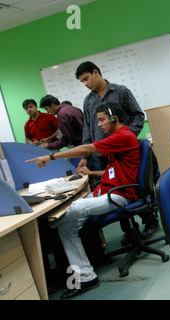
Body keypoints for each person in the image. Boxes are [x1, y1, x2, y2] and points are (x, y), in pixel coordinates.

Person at [26, 102, 141, 299]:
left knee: (74, 206)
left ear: (114, 118)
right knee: (67, 227)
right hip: (105, 191)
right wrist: (91, 172)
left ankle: (48, 227)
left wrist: (51, 156)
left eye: (102, 120)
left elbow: (87, 148)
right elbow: (114, 172)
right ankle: (87, 277)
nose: (99, 125)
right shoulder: (117, 139)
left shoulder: (123, 136)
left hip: (118, 196)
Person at [74, 61, 158, 240]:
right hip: (101, 153)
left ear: (96, 72)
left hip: (122, 150)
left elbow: (138, 115)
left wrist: (129, 136)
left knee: (131, 187)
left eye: (86, 78)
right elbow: (88, 128)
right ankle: (130, 230)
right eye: (82, 81)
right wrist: (85, 156)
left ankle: (151, 222)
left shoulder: (121, 91)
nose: (85, 84)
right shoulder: (88, 100)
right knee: (113, 192)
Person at [39, 95, 84, 167]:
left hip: (78, 146)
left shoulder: (62, 114)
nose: (48, 112)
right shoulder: (73, 108)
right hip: (87, 143)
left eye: (47, 109)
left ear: (52, 105)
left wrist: (49, 145)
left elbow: (66, 138)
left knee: (79, 172)